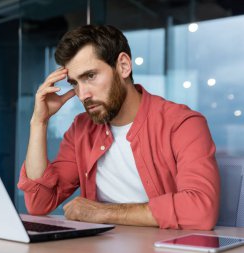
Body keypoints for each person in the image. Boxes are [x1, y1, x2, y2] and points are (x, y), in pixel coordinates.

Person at [17, 25, 220, 230]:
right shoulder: (81, 128)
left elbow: (200, 211)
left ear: (123, 66)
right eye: (74, 83)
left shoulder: (183, 124)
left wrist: (102, 212)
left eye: (90, 76)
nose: (82, 94)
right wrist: (39, 122)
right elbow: (39, 203)